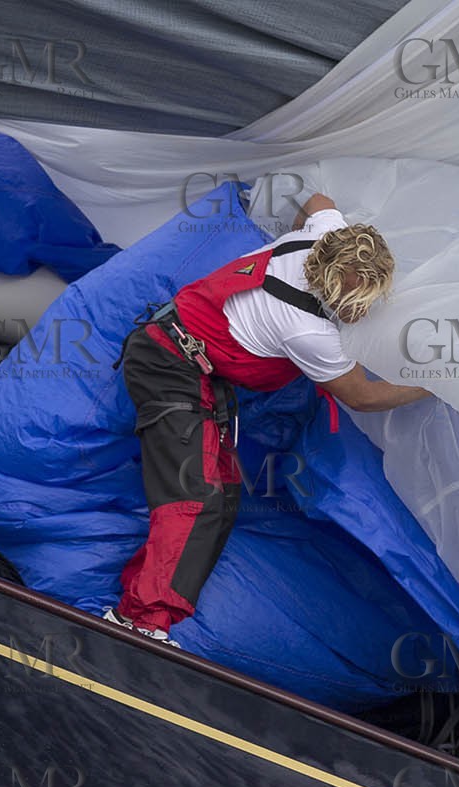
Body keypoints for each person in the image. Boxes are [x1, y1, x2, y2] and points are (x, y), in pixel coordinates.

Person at [103, 192, 430, 644]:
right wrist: (433, 384)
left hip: (194, 365)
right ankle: (138, 621)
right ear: (337, 284)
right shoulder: (307, 329)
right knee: (194, 496)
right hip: (168, 364)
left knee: (221, 497)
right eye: (360, 299)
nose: (364, 311)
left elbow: (317, 200)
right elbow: (363, 396)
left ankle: (146, 608)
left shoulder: (325, 236)